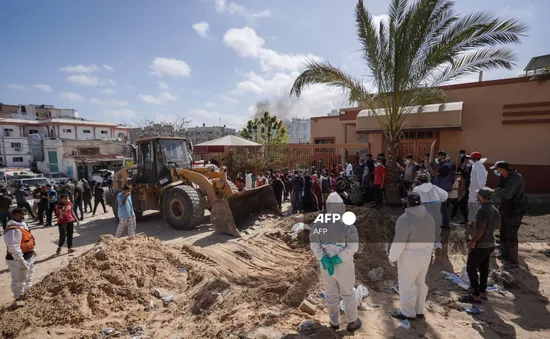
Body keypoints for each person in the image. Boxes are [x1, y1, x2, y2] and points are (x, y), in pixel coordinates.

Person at [309, 193, 362, 332]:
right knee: (348, 293)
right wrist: (338, 258)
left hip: (327, 267)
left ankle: (334, 323)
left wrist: (324, 258)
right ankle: (351, 322)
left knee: (331, 294)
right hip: (344, 266)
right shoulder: (347, 225)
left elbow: (314, 243)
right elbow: (353, 246)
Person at [389, 193, 435, 320]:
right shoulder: (429, 217)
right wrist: (430, 252)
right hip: (425, 254)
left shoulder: (405, 218)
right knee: (420, 282)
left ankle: (407, 312)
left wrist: (392, 256)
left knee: (407, 284)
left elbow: (399, 241)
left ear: (407, 203)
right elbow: (432, 237)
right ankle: (419, 310)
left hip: (410, 255)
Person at [460, 188, 499, 303]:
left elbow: (481, 229)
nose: (477, 197)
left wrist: (473, 241)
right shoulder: (494, 210)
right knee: (483, 268)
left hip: (481, 244)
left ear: (482, 197)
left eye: (479, 195)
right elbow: (497, 226)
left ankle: (475, 294)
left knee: (471, 268)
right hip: (490, 243)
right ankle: (482, 291)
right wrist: (476, 224)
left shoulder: (482, 210)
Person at [492, 161, 526, 268]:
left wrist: (497, 191)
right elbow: (501, 190)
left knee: (510, 236)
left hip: (515, 210)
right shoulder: (505, 177)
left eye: (497, 170)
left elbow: (507, 194)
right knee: (503, 232)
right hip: (506, 209)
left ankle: (513, 262)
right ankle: (505, 254)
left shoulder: (516, 179)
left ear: (503, 169)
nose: (496, 172)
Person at [4, 208, 36, 301]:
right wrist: (21, 260)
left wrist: (33, 250)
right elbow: (13, 247)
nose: (25, 216)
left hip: (28, 256)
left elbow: (27, 239)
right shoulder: (13, 230)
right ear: (16, 215)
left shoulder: (22, 225)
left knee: (29, 276)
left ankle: (27, 295)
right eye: (23, 214)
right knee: (19, 280)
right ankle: (18, 298)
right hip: (17, 259)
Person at [412, 173, 448, 251]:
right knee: (436, 231)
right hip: (436, 212)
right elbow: (445, 195)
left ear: (419, 181)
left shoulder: (417, 189)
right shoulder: (434, 187)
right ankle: (438, 246)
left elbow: (412, 200)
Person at [432, 151, 454, 229]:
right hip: (442, 188)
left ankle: (444, 223)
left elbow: (435, 174)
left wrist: (428, 166)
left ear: (441, 157)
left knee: (442, 207)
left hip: (442, 188)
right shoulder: (446, 165)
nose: (437, 159)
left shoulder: (446, 166)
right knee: (441, 207)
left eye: (438, 157)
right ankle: (444, 223)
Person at [466, 152, 487, 225]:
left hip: (476, 191)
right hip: (473, 190)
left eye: (471, 157)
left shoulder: (479, 166)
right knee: (472, 206)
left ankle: (475, 222)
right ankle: (472, 221)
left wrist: (480, 192)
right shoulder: (475, 165)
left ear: (474, 158)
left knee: (475, 206)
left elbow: (481, 181)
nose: (470, 159)